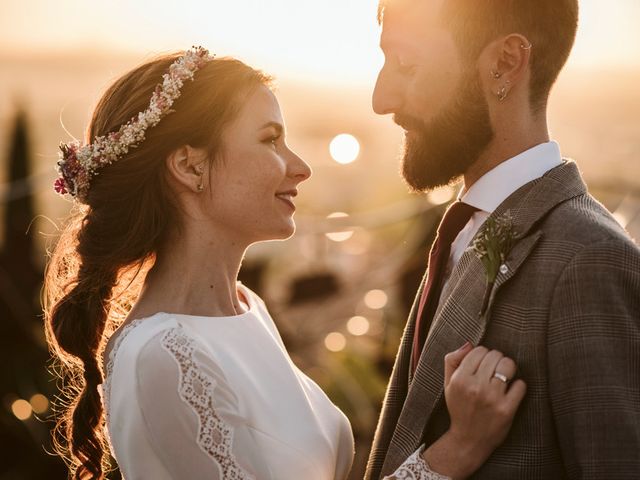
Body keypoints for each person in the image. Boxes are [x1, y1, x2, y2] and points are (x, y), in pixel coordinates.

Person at [43, 47, 525, 480]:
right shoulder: (163, 358)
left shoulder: (246, 308)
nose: (300, 166)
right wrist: (459, 448)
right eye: (270, 139)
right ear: (191, 167)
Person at [366, 0, 640, 478]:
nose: (381, 97)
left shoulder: (590, 260)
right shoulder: (464, 226)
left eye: (406, 64)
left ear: (505, 62)